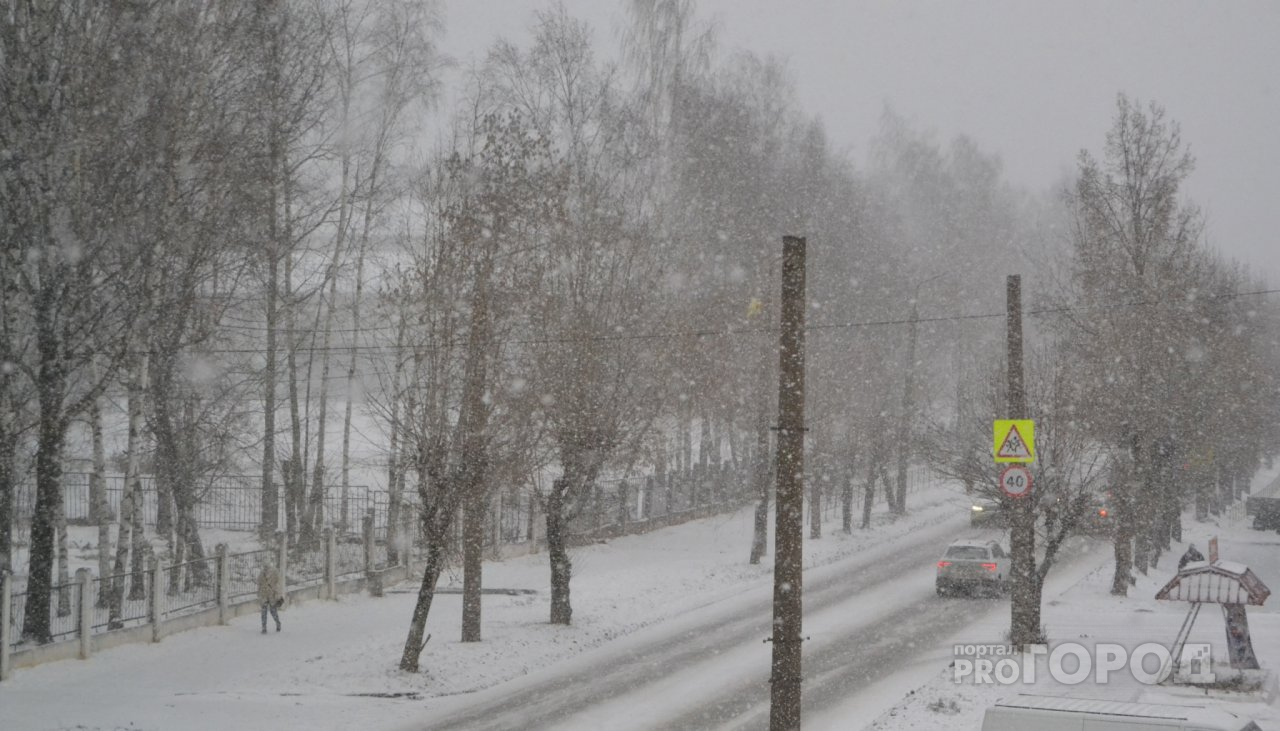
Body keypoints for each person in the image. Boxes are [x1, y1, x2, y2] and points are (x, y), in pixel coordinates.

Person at [257, 562, 283, 633]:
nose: (266, 569)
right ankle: (264, 627)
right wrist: (259, 593)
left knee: (273, 611)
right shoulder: (261, 574)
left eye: (267, 567)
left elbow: (278, 583)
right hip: (264, 595)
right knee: (264, 612)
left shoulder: (275, 572)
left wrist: (277, 593)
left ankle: (278, 623)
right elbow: (259, 584)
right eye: (265, 567)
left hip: (272, 595)